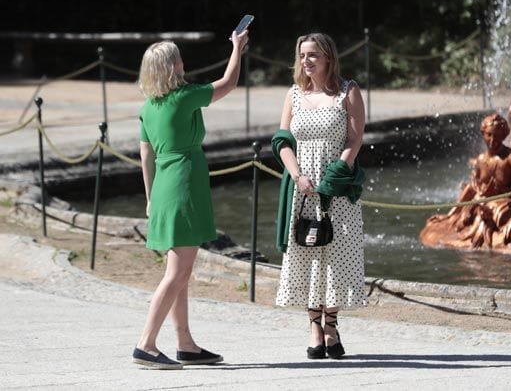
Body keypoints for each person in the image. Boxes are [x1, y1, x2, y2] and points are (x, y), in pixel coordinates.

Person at [132, 27, 249, 369]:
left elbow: (145, 155)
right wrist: (237, 48)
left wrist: (150, 198)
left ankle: (185, 343)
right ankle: (146, 344)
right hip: (184, 184)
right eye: (178, 58)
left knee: (178, 272)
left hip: (165, 188)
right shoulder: (182, 97)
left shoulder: (148, 107)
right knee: (177, 274)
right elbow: (227, 83)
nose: (184, 61)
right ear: (173, 66)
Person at [272, 32, 366, 360]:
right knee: (309, 253)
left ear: (328, 57)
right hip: (303, 188)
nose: (306, 61)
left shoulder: (347, 91)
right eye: (302, 55)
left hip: (335, 187)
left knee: (336, 254)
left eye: (313, 55)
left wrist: (334, 175)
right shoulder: (294, 94)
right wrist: (297, 175)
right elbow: (282, 139)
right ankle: (314, 326)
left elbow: (354, 139)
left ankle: (332, 326)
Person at [419, 113, 511, 251]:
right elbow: (474, 187)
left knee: (488, 212)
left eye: (497, 136)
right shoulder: (481, 160)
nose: (492, 140)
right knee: (467, 207)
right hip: (485, 202)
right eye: (489, 135)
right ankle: (459, 221)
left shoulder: (510, 157)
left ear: (504, 135)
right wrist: (452, 213)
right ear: (483, 134)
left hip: (507, 205)